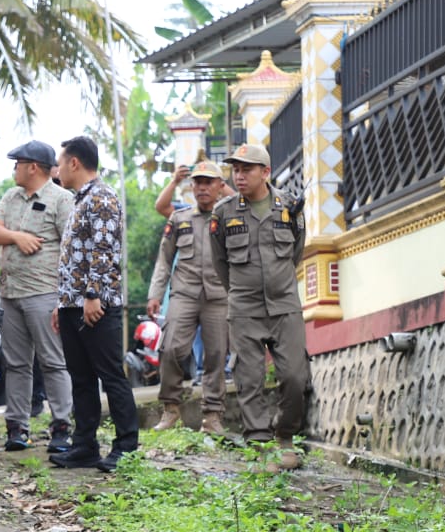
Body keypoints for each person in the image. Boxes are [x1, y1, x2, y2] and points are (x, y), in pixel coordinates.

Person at [210, 142, 309, 471]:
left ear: (265, 172)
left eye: (246, 170)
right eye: (235, 170)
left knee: (294, 376)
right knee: (249, 379)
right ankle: (261, 446)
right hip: (244, 308)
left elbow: (296, 251)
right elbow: (220, 262)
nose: (238, 176)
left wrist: (278, 283)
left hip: (285, 305)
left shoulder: (290, 207)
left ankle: (285, 438)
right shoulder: (223, 213)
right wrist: (240, 292)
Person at [49, 135, 138, 472]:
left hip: (95, 304)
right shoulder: (80, 200)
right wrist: (63, 303)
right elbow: (76, 257)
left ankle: (126, 447)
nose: (57, 169)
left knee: (111, 375)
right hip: (73, 303)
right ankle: (84, 446)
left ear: (74, 163)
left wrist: (92, 295)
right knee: (81, 378)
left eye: (60, 163)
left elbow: (104, 251)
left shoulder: (101, 197)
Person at [0, 140, 75, 454]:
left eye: (18, 163)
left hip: (45, 292)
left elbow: (71, 249)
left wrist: (65, 298)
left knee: (53, 362)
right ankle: (17, 428)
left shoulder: (61, 199)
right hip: (10, 293)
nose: (14, 169)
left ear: (33, 167)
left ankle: (61, 427)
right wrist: (17, 237)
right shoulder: (11, 196)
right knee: (16, 363)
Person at [146, 160, 229, 435]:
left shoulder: (230, 217)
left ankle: (212, 416)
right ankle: (171, 409)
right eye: (198, 183)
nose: (203, 188)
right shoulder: (179, 218)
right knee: (170, 348)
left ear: (220, 186)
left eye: (209, 182)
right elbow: (164, 260)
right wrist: (155, 294)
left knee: (216, 355)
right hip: (184, 293)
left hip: (218, 295)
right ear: (191, 187)